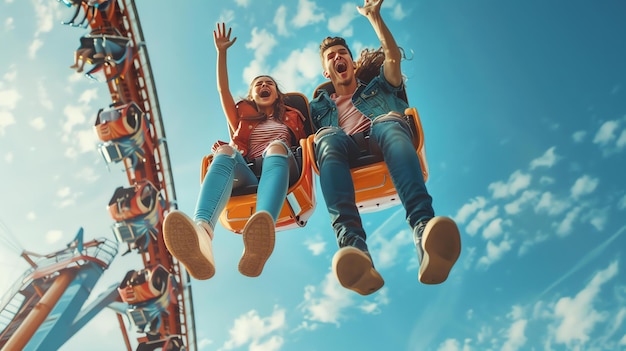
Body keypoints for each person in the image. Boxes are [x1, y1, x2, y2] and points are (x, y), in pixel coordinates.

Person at [310, 0, 461, 296]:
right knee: (325, 137)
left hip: (382, 139)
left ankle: (423, 231)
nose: (338, 57)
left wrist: (374, 18)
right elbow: (287, 132)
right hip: (344, 152)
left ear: (352, 63)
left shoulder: (379, 86)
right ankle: (355, 253)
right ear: (327, 72)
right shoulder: (317, 106)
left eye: (343, 53)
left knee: (388, 121)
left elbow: (392, 57)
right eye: (331, 56)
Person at [163, 23, 308, 280]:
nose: (264, 85)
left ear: (276, 94)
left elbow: (310, 142)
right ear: (252, 95)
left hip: (285, 165)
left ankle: (262, 226)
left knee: (276, 146)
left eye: (269, 84)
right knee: (226, 151)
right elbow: (223, 91)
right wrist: (221, 53)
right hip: (250, 172)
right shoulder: (242, 117)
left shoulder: (293, 116)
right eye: (258, 84)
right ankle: (202, 235)